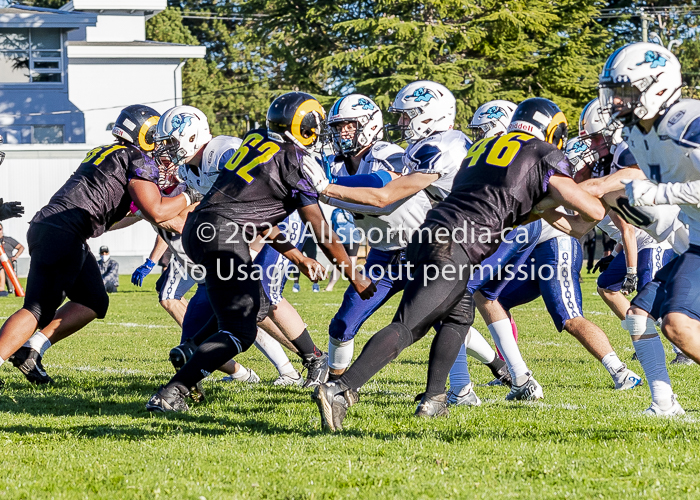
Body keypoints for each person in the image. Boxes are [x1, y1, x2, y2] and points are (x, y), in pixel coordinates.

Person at [307, 96, 607, 431]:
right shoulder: (541, 152)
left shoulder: (483, 149)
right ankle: (340, 389)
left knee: (460, 315)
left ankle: (435, 399)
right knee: (410, 326)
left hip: (430, 234)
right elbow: (591, 213)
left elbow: (559, 220)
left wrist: (547, 207)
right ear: (551, 130)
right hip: (456, 246)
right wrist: (608, 190)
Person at [145, 92, 376, 412]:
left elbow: (252, 211)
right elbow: (321, 230)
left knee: (256, 302)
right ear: (307, 129)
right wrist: (354, 275)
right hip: (225, 235)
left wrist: (295, 255)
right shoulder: (296, 160)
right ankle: (173, 392)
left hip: (201, 231)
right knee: (240, 329)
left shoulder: (253, 141)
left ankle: (195, 353)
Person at [1, 104, 200, 386]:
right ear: (145, 134)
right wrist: (191, 195)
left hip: (61, 229)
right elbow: (156, 210)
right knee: (38, 308)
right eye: (158, 136)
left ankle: (31, 348)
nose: (161, 144)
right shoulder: (136, 157)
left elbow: (121, 216)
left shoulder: (113, 153)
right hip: (63, 231)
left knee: (93, 299)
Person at [324, 208, 360, 292]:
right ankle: (330, 286)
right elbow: (332, 226)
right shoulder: (335, 211)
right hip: (339, 240)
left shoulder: (352, 209)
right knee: (338, 263)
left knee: (352, 262)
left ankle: (355, 284)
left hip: (353, 239)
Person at [0, 222, 24, 296]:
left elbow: (21, 247)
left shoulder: (8, 240)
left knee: (5, 269)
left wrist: (15, 256)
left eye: (0, 229)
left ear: (2, 230)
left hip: (8, 262)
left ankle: (11, 289)